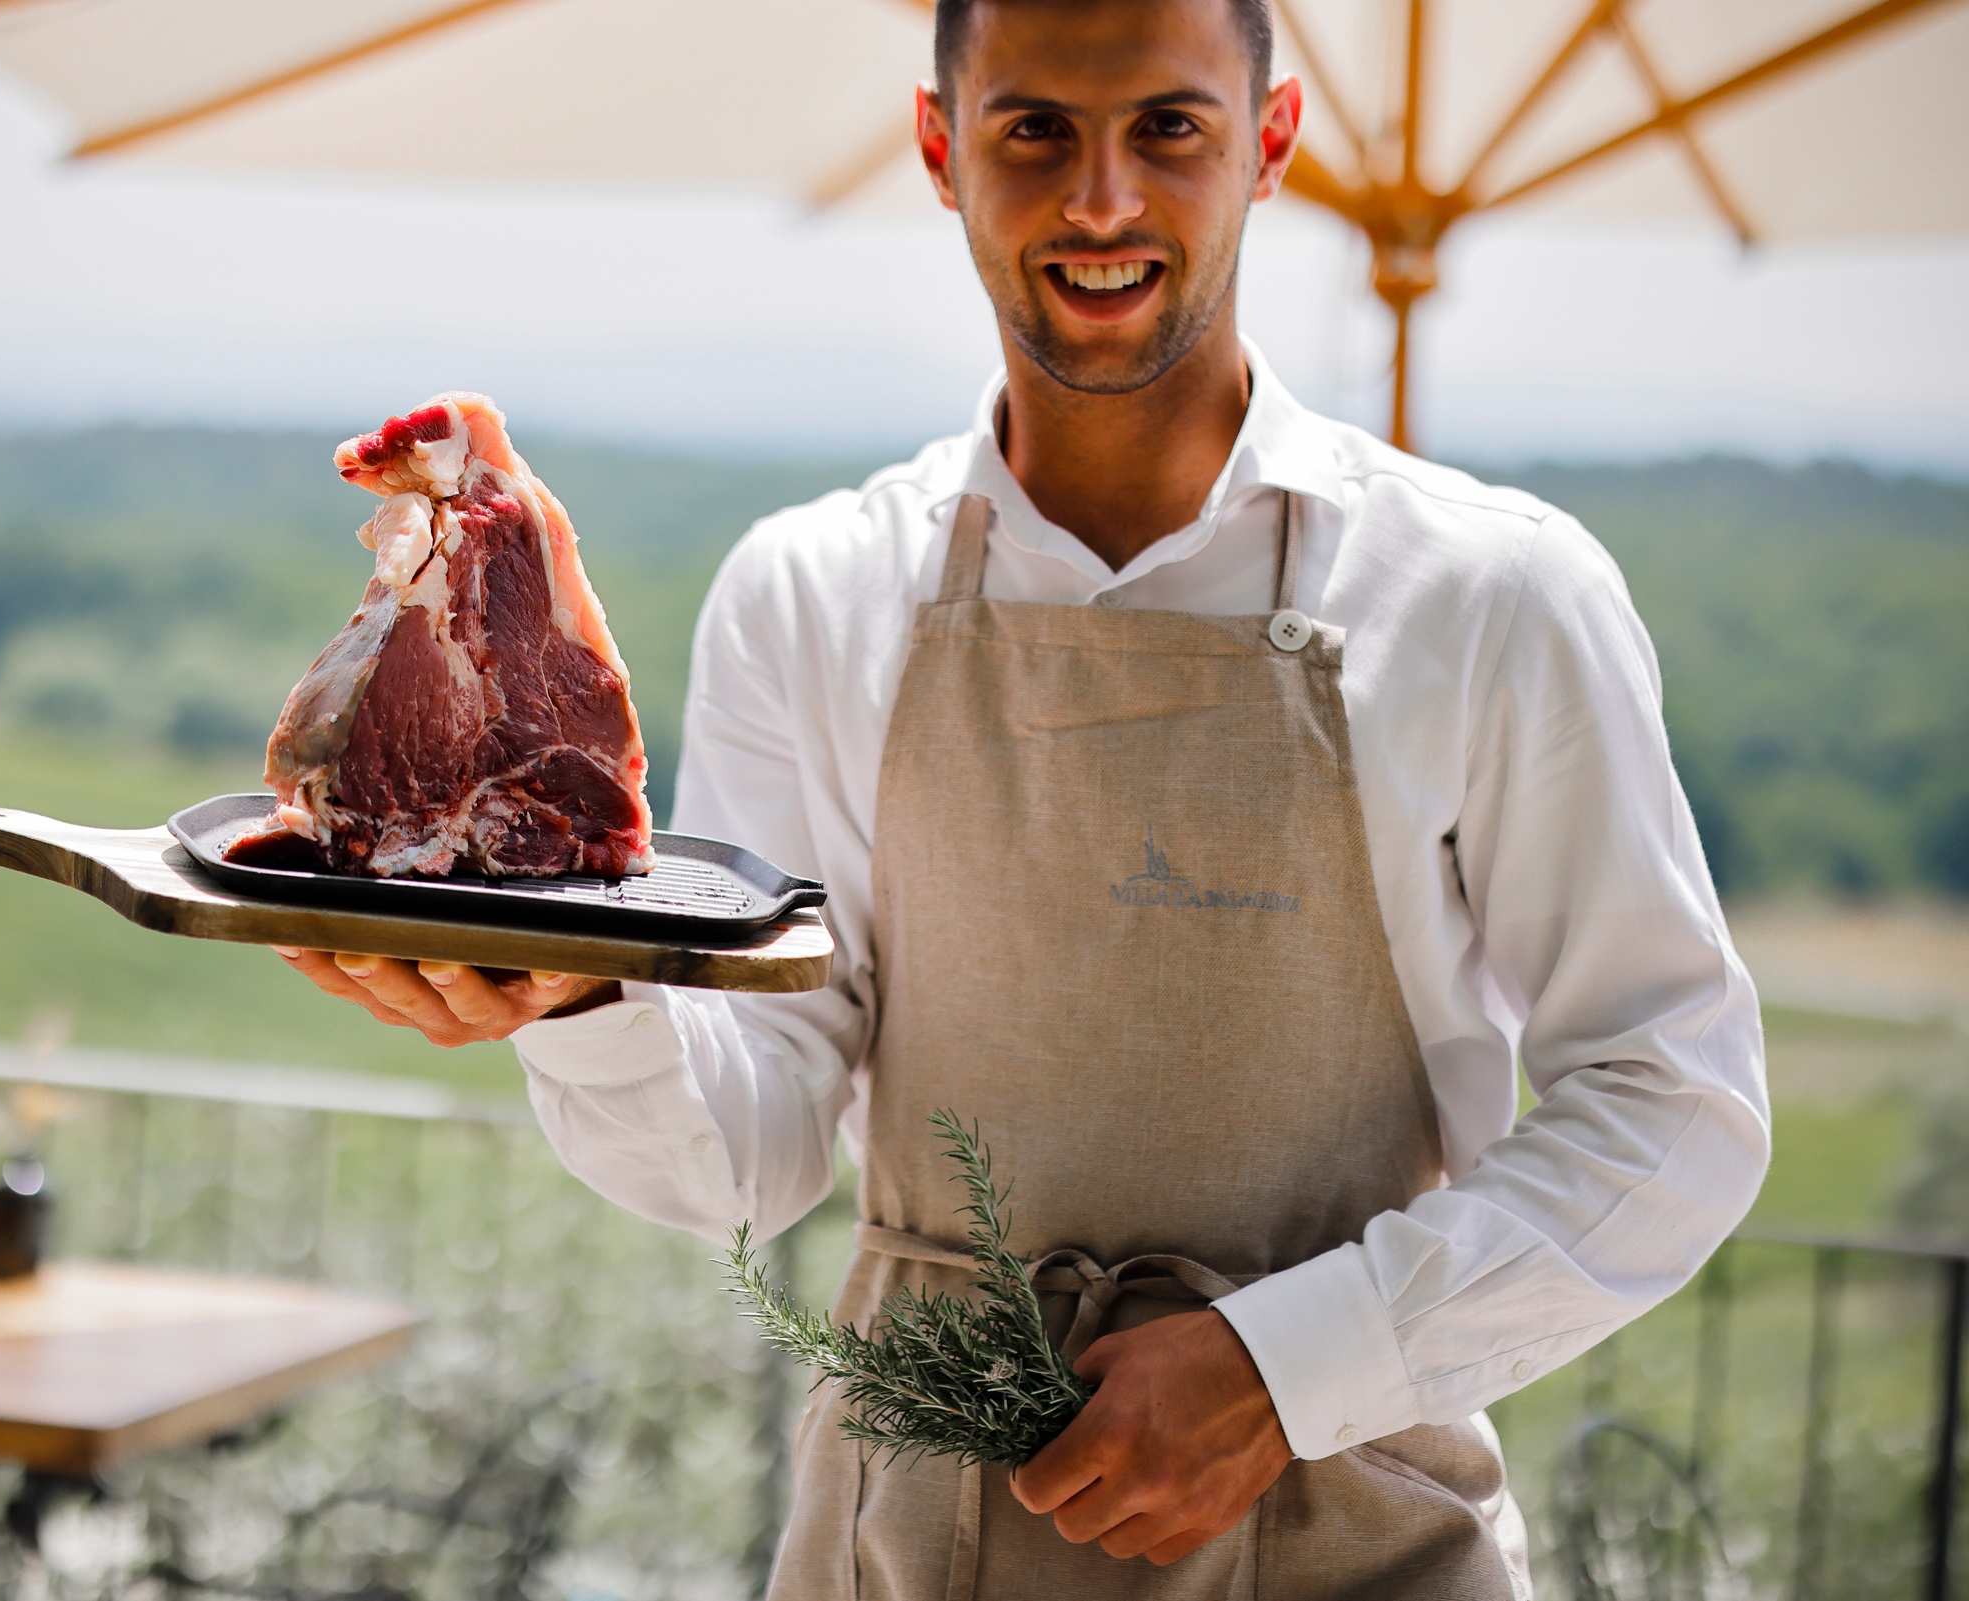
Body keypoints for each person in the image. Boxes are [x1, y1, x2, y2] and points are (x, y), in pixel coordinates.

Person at [273, 0, 1770, 1593]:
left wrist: (1289, 1365)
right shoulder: (811, 591)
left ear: (1270, 143)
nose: (1103, 201)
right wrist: (584, 1011)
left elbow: (1675, 1098)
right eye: (1035, 128)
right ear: (943, 148)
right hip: (912, 1531)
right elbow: (761, 1129)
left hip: (1358, 1536)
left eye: (1170, 130)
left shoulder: (1498, 592)